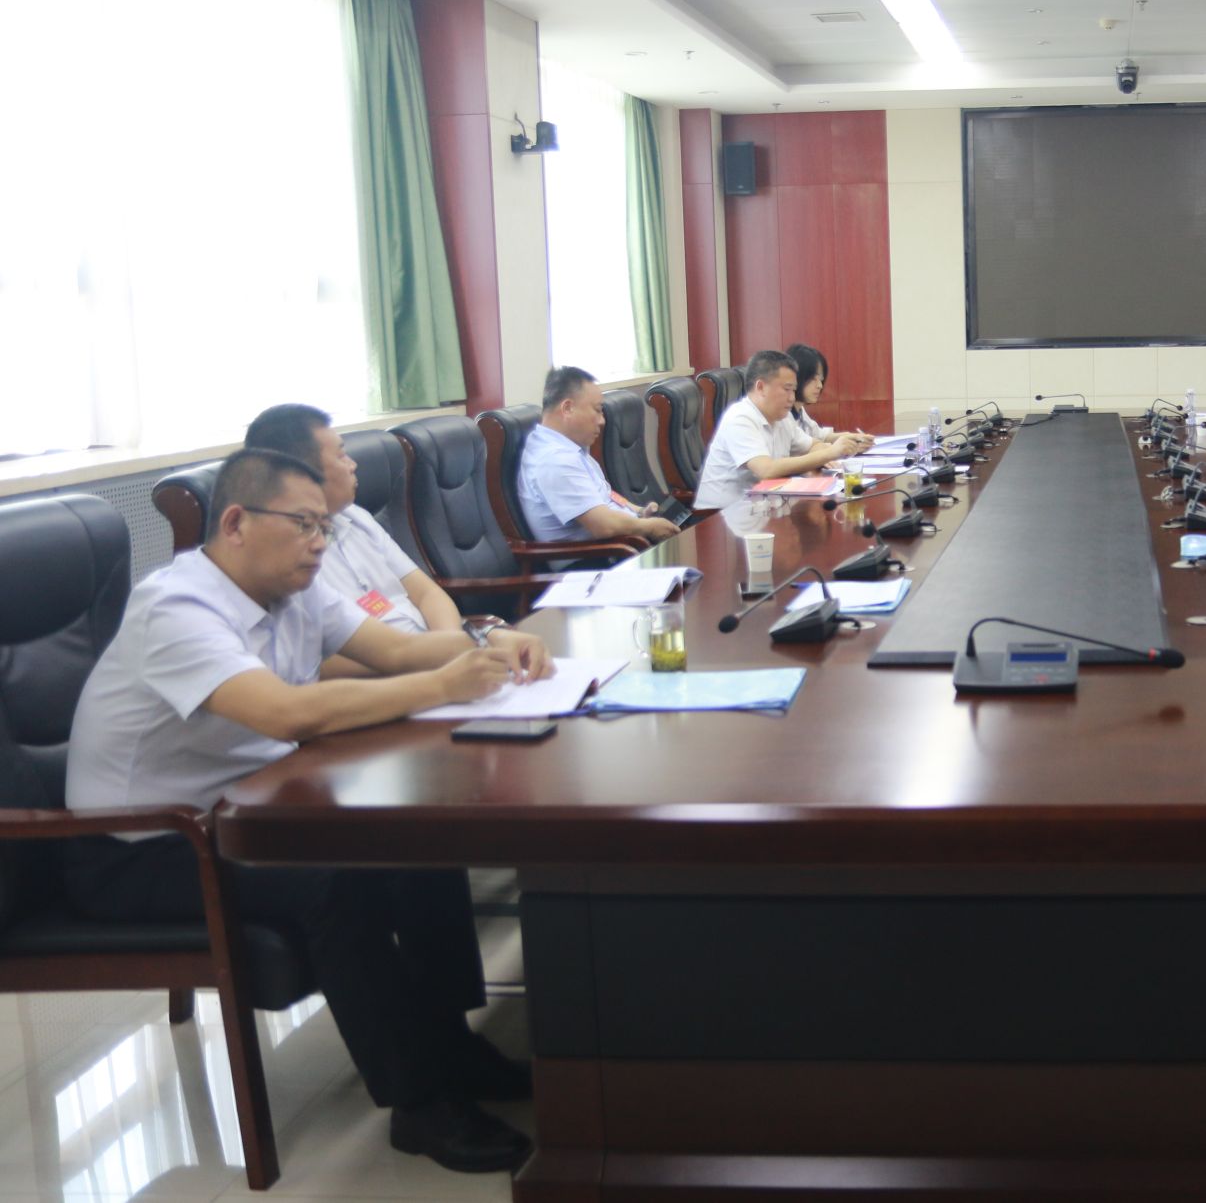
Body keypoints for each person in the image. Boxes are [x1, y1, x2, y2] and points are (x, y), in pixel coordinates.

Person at [64, 448, 557, 1172]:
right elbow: (285, 712)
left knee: (417, 836)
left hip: (242, 808)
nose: (320, 542)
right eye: (303, 524)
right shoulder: (176, 607)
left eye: (324, 526)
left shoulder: (294, 587)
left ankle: (451, 1044)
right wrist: (444, 685)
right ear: (236, 522)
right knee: (333, 881)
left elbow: (398, 652)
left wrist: (489, 643)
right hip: (137, 848)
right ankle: (419, 1102)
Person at [244, 404, 464, 640]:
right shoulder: (279, 559)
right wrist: (434, 653)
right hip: (397, 661)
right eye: (341, 456)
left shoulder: (355, 516)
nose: (353, 465)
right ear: (302, 473)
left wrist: (452, 643)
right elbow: (318, 653)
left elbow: (427, 593)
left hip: (435, 647)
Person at [517, 366, 683, 543]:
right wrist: (649, 526)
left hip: (624, 542)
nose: (602, 420)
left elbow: (606, 496)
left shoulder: (569, 448)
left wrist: (640, 512)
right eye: (597, 410)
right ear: (567, 408)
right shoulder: (554, 460)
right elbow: (604, 526)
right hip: (604, 555)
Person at [694, 349, 859, 510]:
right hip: (721, 515)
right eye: (787, 389)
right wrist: (830, 453)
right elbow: (766, 469)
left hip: (762, 506)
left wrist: (822, 455)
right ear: (761, 387)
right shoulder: (740, 418)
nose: (792, 398)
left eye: (794, 390)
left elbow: (814, 445)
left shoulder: (782, 417)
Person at [786, 343, 874, 451]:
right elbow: (807, 447)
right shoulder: (784, 415)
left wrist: (853, 438)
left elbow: (820, 435)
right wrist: (842, 448)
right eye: (814, 379)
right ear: (798, 377)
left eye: (821, 379)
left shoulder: (799, 409)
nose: (820, 385)